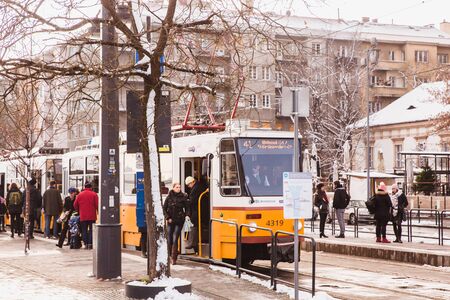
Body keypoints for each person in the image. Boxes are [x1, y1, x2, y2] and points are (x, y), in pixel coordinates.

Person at [163, 182, 189, 264]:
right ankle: (170, 255)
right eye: (177, 187)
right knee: (169, 238)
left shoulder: (183, 197)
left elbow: (187, 208)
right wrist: (167, 218)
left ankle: (174, 258)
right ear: (173, 188)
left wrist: (187, 216)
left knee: (175, 238)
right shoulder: (169, 197)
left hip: (179, 220)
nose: (178, 188)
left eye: (179, 187)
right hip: (170, 220)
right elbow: (164, 208)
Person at [185, 176, 207, 253]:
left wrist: (186, 200)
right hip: (201, 210)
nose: (188, 187)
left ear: (192, 182)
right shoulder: (199, 186)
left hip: (197, 210)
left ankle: (191, 243)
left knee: (192, 225)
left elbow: (192, 201)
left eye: (188, 185)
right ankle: (195, 246)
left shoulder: (195, 189)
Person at [73, 181, 98, 249]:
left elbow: (75, 204)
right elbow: (97, 205)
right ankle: (90, 244)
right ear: (91, 187)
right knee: (91, 230)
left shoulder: (80, 195)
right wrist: (97, 212)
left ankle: (85, 243)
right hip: (92, 216)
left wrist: (78, 210)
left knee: (84, 230)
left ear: (84, 187)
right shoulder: (94, 194)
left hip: (83, 216)